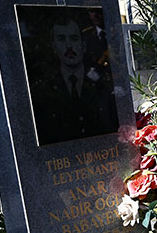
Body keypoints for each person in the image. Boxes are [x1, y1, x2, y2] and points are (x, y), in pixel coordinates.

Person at [30, 17, 118, 145]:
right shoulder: (43, 90)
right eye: (61, 39)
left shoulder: (104, 85)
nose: (69, 46)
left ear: (83, 46)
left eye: (74, 38)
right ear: (54, 47)